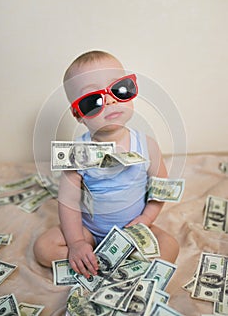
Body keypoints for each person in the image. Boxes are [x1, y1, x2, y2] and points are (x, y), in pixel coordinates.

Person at [33, 50, 179, 278]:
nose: (110, 100)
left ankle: (106, 264)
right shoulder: (76, 154)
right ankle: (91, 258)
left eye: (119, 89)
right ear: (78, 115)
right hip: (89, 231)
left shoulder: (147, 145)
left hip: (133, 227)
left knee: (170, 246)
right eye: (93, 100)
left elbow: (161, 190)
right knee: (43, 248)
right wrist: (77, 242)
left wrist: (146, 219)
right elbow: (68, 202)